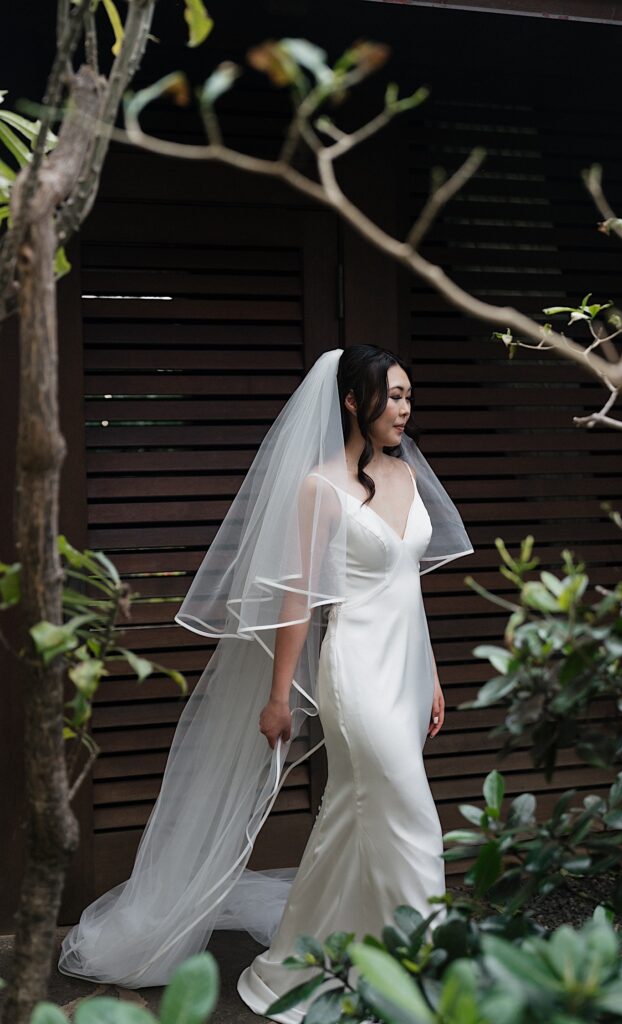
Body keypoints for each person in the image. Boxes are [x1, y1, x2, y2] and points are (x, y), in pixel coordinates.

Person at [58, 346, 473, 1009]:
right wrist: (279, 697)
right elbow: (297, 599)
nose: (403, 409)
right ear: (351, 402)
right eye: (391, 396)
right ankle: (424, 972)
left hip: (404, 670)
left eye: (406, 397)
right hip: (355, 673)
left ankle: (298, 960)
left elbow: (409, 590)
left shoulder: (406, 474)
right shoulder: (319, 486)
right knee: (411, 817)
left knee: (350, 816)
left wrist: (433, 676)